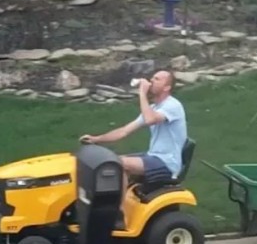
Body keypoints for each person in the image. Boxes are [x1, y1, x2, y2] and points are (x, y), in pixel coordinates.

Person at [79, 70, 187, 223]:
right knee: (114, 160)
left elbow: (150, 120)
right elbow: (124, 131)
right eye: (152, 78)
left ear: (166, 87)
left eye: (157, 79)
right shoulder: (154, 107)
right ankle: (105, 205)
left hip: (167, 163)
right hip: (154, 156)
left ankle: (119, 215)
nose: (151, 80)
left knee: (119, 165)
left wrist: (142, 93)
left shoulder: (172, 106)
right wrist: (97, 139)